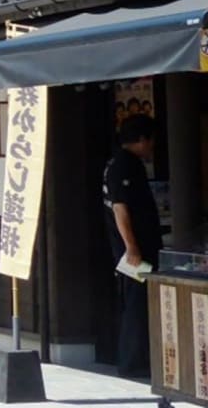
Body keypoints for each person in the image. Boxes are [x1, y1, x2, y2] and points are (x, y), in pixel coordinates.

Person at [102, 113, 162, 379]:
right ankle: (132, 363)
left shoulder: (118, 163)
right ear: (141, 140)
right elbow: (120, 208)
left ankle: (135, 359)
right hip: (134, 253)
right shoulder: (125, 165)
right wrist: (132, 248)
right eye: (150, 141)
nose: (151, 147)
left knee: (137, 303)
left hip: (131, 250)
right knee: (137, 305)